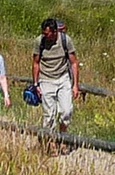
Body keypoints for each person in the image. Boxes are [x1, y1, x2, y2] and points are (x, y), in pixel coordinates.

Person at [31, 17, 79, 146]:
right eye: (43, 33)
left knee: (66, 111)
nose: (44, 35)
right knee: (49, 114)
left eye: (46, 33)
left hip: (63, 79)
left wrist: (75, 85)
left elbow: (74, 63)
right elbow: (36, 63)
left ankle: (63, 138)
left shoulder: (65, 40)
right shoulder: (39, 42)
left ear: (54, 32)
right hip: (46, 79)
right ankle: (50, 142)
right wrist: (36, 84)